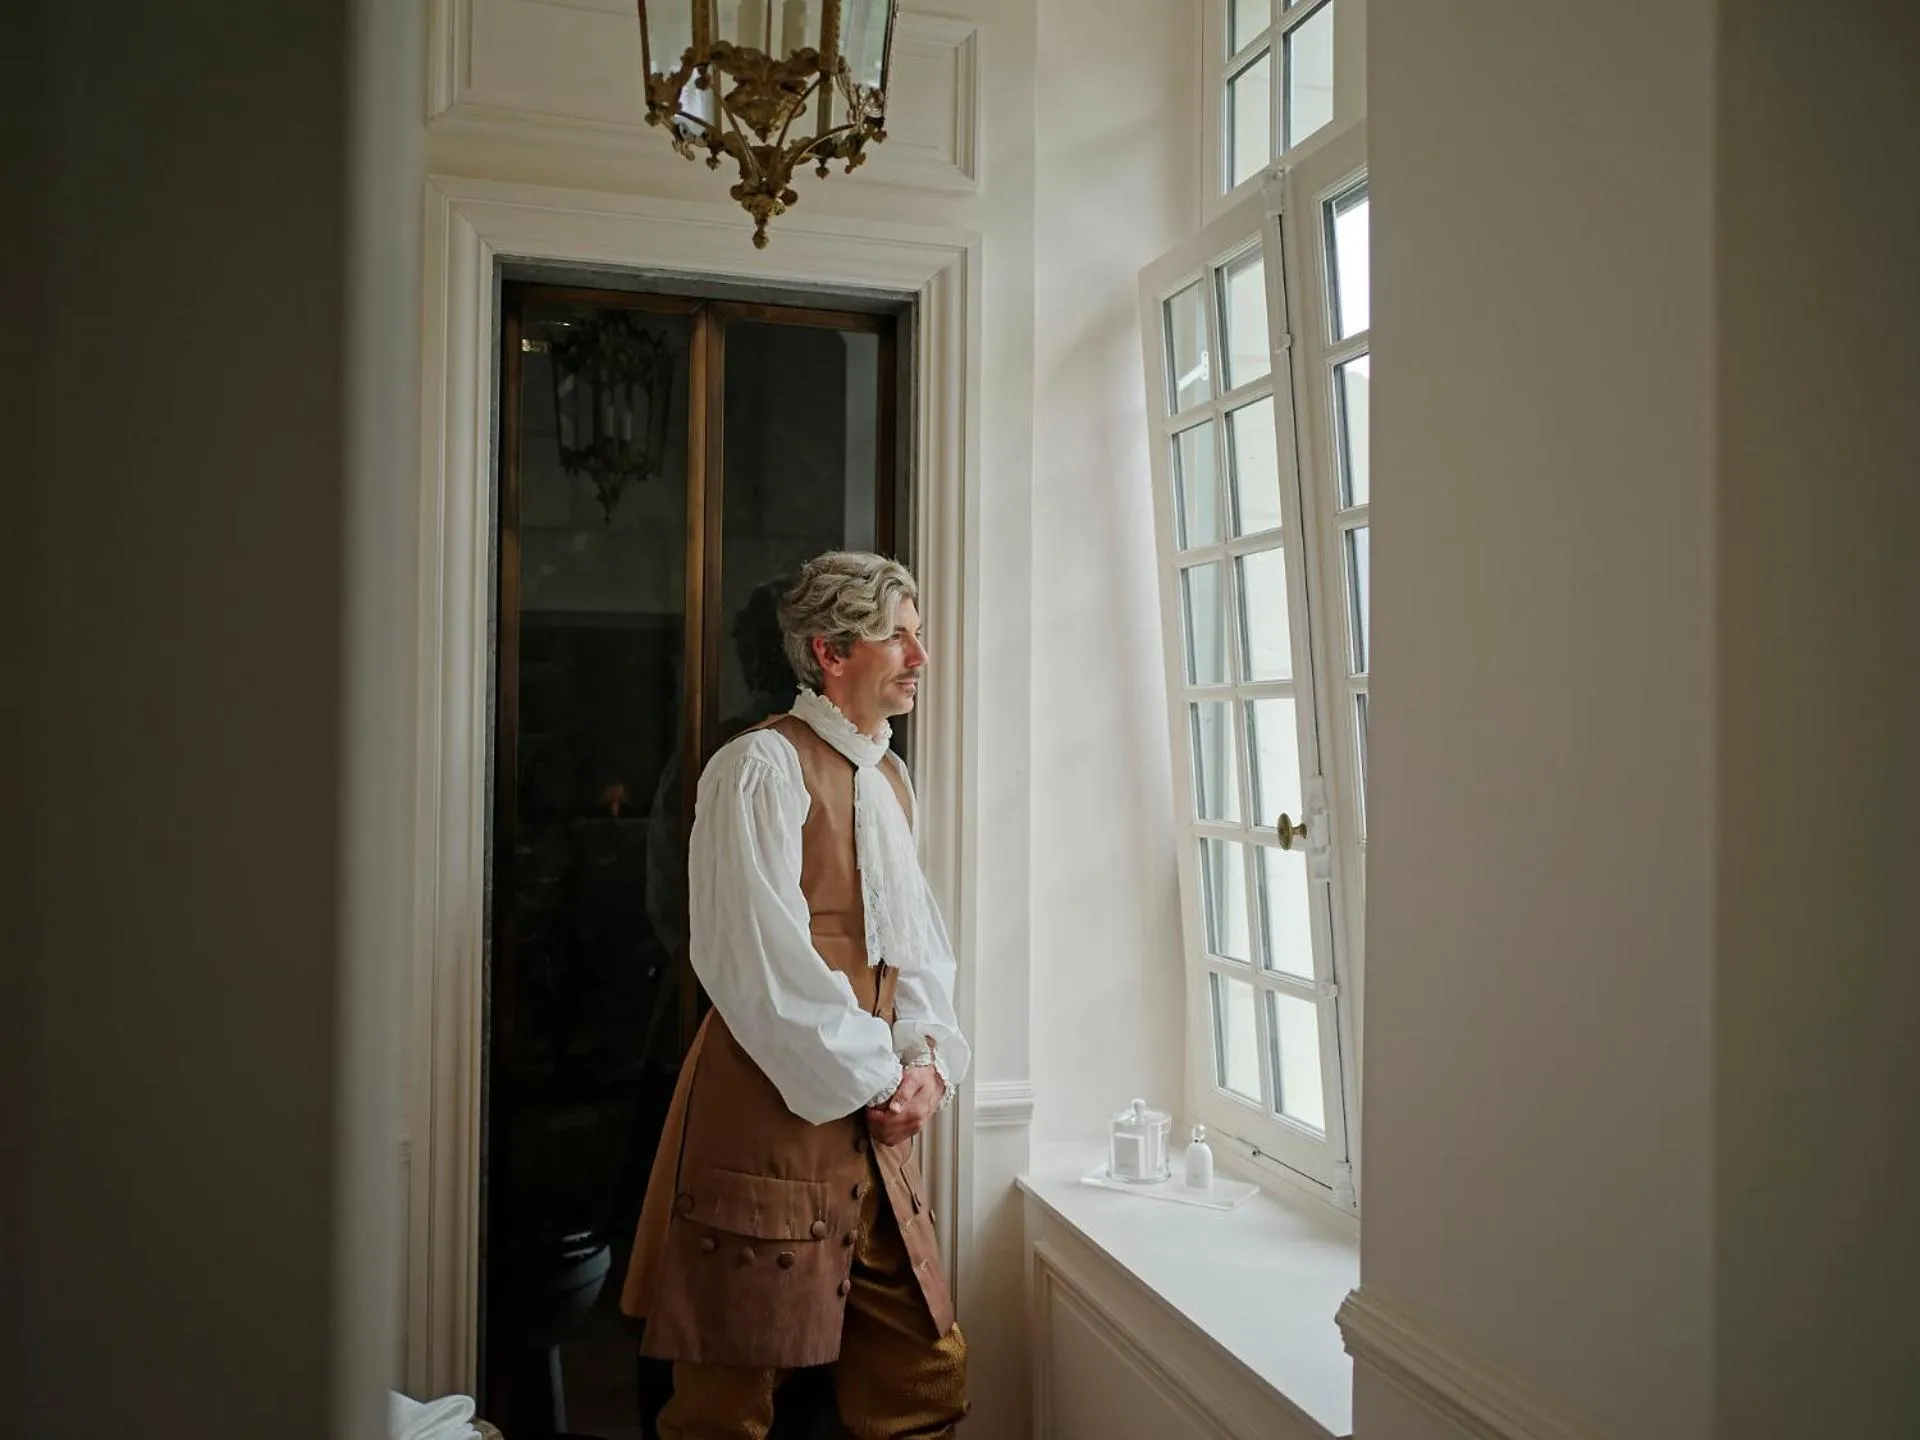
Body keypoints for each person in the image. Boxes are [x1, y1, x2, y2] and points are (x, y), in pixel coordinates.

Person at [620, 551, 972, 1440]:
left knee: (925, 1375)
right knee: (726, 1397)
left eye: (917, 634)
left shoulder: (890, 778)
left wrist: (926, 1059)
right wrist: (876, 1078)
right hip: (769, 1111)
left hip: (876, 1108)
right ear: (829, 651)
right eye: (898, 636)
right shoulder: (757, 769)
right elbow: (752, 962)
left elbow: (917, 944)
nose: (919, 657)